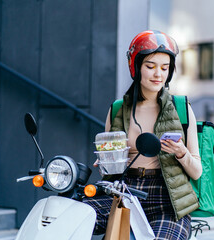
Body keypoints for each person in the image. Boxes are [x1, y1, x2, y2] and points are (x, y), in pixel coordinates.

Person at [85, 30, 202, 240]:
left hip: (167, 200)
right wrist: (106, 161)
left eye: (165, 68)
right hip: (124, 193)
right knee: (74, 216)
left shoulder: (181, 108)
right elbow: (107, 172)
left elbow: (197, 172)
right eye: (150, 66)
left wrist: (181, 152)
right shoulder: (118, 109)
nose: (158, 74)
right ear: (136, 67)